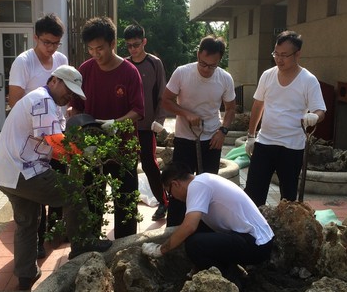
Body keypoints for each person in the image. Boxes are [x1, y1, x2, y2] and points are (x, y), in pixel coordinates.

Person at [0, 65, 112, 290]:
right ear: (54, 80)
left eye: (73, 92)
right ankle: (82, 245)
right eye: (68, 89)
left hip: (6, 174)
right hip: (24, 170)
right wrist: (84, 153)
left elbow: (59, 134)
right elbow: (56, 143)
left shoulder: (47, 101)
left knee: (27, 221)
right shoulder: (42, 101)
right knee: (73, 192)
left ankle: (25, 274)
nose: (70, 95)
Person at [141, 161, 274, 288]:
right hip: (258, 240)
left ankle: (228, 281)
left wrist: (160, 250)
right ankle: (231, 269)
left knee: (194, 245)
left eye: (170, 193)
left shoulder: (198, 185)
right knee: (198, 228)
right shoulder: (203, 180)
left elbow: (189, 226)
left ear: (175, 184)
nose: (173, 197)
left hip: (257, 244)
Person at [70, 16, 145, 239]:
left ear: (113, 44)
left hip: (123, 150)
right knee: (92, 202)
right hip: (93, 151)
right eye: (91, 49)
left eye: (100, 48)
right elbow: (77, 107)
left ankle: (125, 248)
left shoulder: (130, 72)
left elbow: (138, 110)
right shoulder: (85, 70)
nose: (95, 54)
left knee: (126, 203)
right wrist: (82, 137)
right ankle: (92, 247)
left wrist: (115, 123)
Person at [7, 13, 68, 259]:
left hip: (55, 132)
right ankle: (38, 243)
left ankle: (56, 230)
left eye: (55, 43)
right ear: (35, 37)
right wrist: (41, 125)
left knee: (57, 182)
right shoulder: (24, 62)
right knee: (34, 194)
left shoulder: (60, 60)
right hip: (31, 141)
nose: (51, 49)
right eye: (46, 42)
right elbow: (15, 101)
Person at [244, 30, 326, 206]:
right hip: (265, 142)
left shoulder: (308, 80)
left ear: (297, 54)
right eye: (276, 54)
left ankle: (285, 230)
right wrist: (251, 136)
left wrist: (314, 117)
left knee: (288, 197)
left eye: (284, 55)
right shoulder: (267, 75)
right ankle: (252, 231)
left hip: (292, 146)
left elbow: (321, 110)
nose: (279, 59)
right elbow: (258, 106)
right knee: (253, 193)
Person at [161, 35, 236, 227]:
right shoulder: (182, 73)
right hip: (185, 138)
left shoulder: (225, 78)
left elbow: (230, 109)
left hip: (211, 139)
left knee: (208, 186)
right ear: (198, 54)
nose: (206, 69)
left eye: (212, 66)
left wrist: (223, 131)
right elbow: (166, 100)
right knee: (178, 185)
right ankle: (174, 227)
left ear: (219, 61)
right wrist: (185, 113)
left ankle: (205, 227)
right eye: (203, 63)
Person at [123, 23, 168, 221]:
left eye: (137, 44)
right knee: (127, 167)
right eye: (129, 45)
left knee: (150, 165)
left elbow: (162, 94)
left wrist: (159, 120)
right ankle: (128, 206)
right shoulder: (124, 65)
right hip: (126, 127)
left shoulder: (154, 63)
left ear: (144, 42)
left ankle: (164, 203)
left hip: (147, 126)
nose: (133, 49)